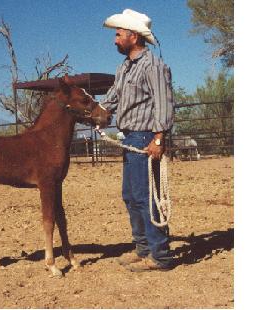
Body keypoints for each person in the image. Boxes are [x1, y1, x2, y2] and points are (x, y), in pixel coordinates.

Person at [99, 9, 175, 271]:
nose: (115, 39)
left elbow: (163, 102)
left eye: (118, 34)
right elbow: (112, 97)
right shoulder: (125, 67)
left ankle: (160, 256)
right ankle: (143, 248)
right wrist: (95, 111)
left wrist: (158, 138)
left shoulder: (153, 65)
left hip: (144, 137)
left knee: (146, 196)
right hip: (131, 138)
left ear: (132, 36)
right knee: (131, 196)